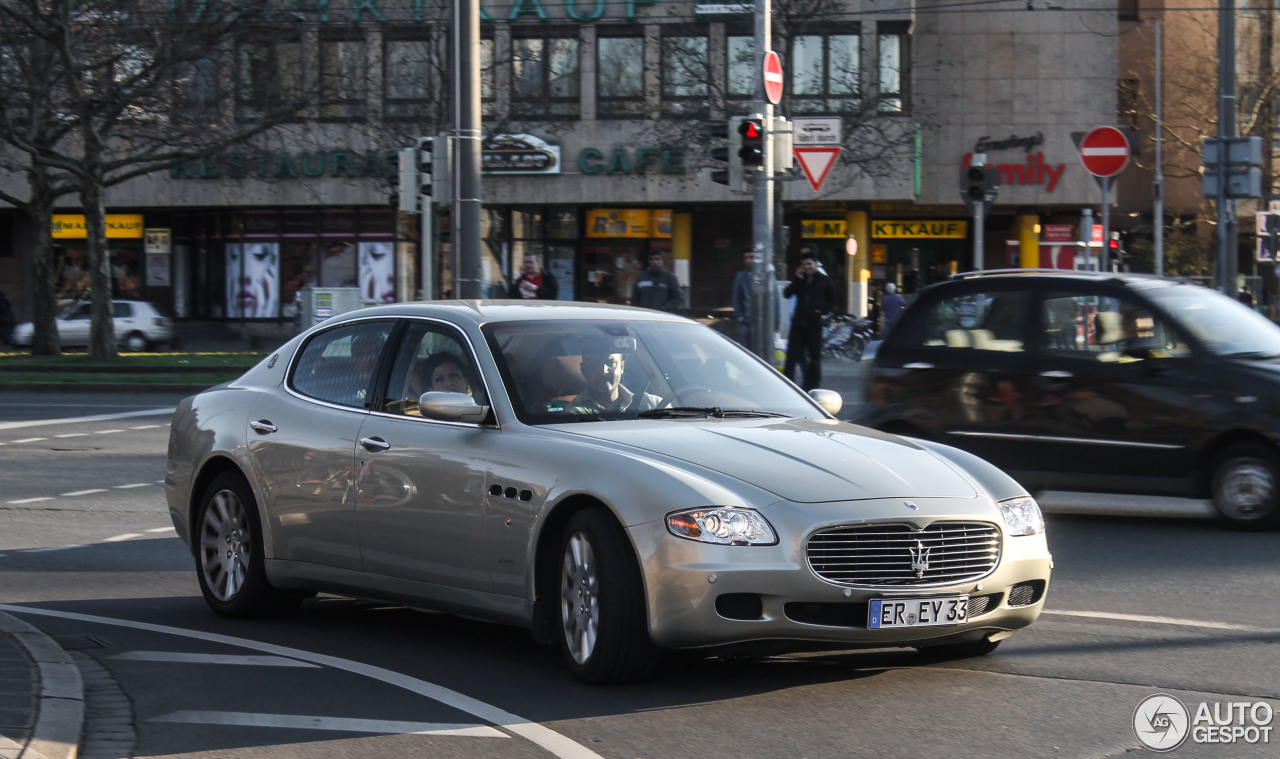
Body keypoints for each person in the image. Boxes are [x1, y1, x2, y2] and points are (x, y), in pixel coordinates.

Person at [783, 247, 836, 390]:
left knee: (814, 358)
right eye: (804, 265)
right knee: (792, 356)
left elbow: (832, 301)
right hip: (798, 324)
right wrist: (796, 279)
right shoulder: (800, 280)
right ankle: (787, 385)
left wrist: (821, 311)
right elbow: (786, 294)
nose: (807, 267)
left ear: (816, 264)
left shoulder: (824, 280)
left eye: (810, 264)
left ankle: (812, 386)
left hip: (814, 324)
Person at [564, 339, 664, 414]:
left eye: (610, 362)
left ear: (622, 367)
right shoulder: (573, 414)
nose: (603, 371)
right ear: (583, 369)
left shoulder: (653, 404)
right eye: (594, 363)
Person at [732, 247, 754, 346]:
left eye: (751, 257)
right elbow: (736, 298)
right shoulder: (740, 276)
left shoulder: (765, 274)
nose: (748, 260)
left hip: (762, 321)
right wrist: (740, 316)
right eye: (745, 258)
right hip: (746, 321)